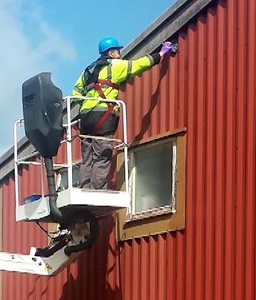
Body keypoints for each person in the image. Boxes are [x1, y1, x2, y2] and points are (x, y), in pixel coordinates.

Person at [72, 36, 177, 189]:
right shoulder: (115, 66)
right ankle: (96, 193)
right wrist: (160, 54)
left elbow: (75, 94)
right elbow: (139, 65)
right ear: (110, 53)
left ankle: (84, 189)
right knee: (102, 156)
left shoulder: (87, 71)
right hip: (104, 115)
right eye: (117, 50)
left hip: (86, 117)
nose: (120, 53)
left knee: (87, 158)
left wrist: (87, 104)